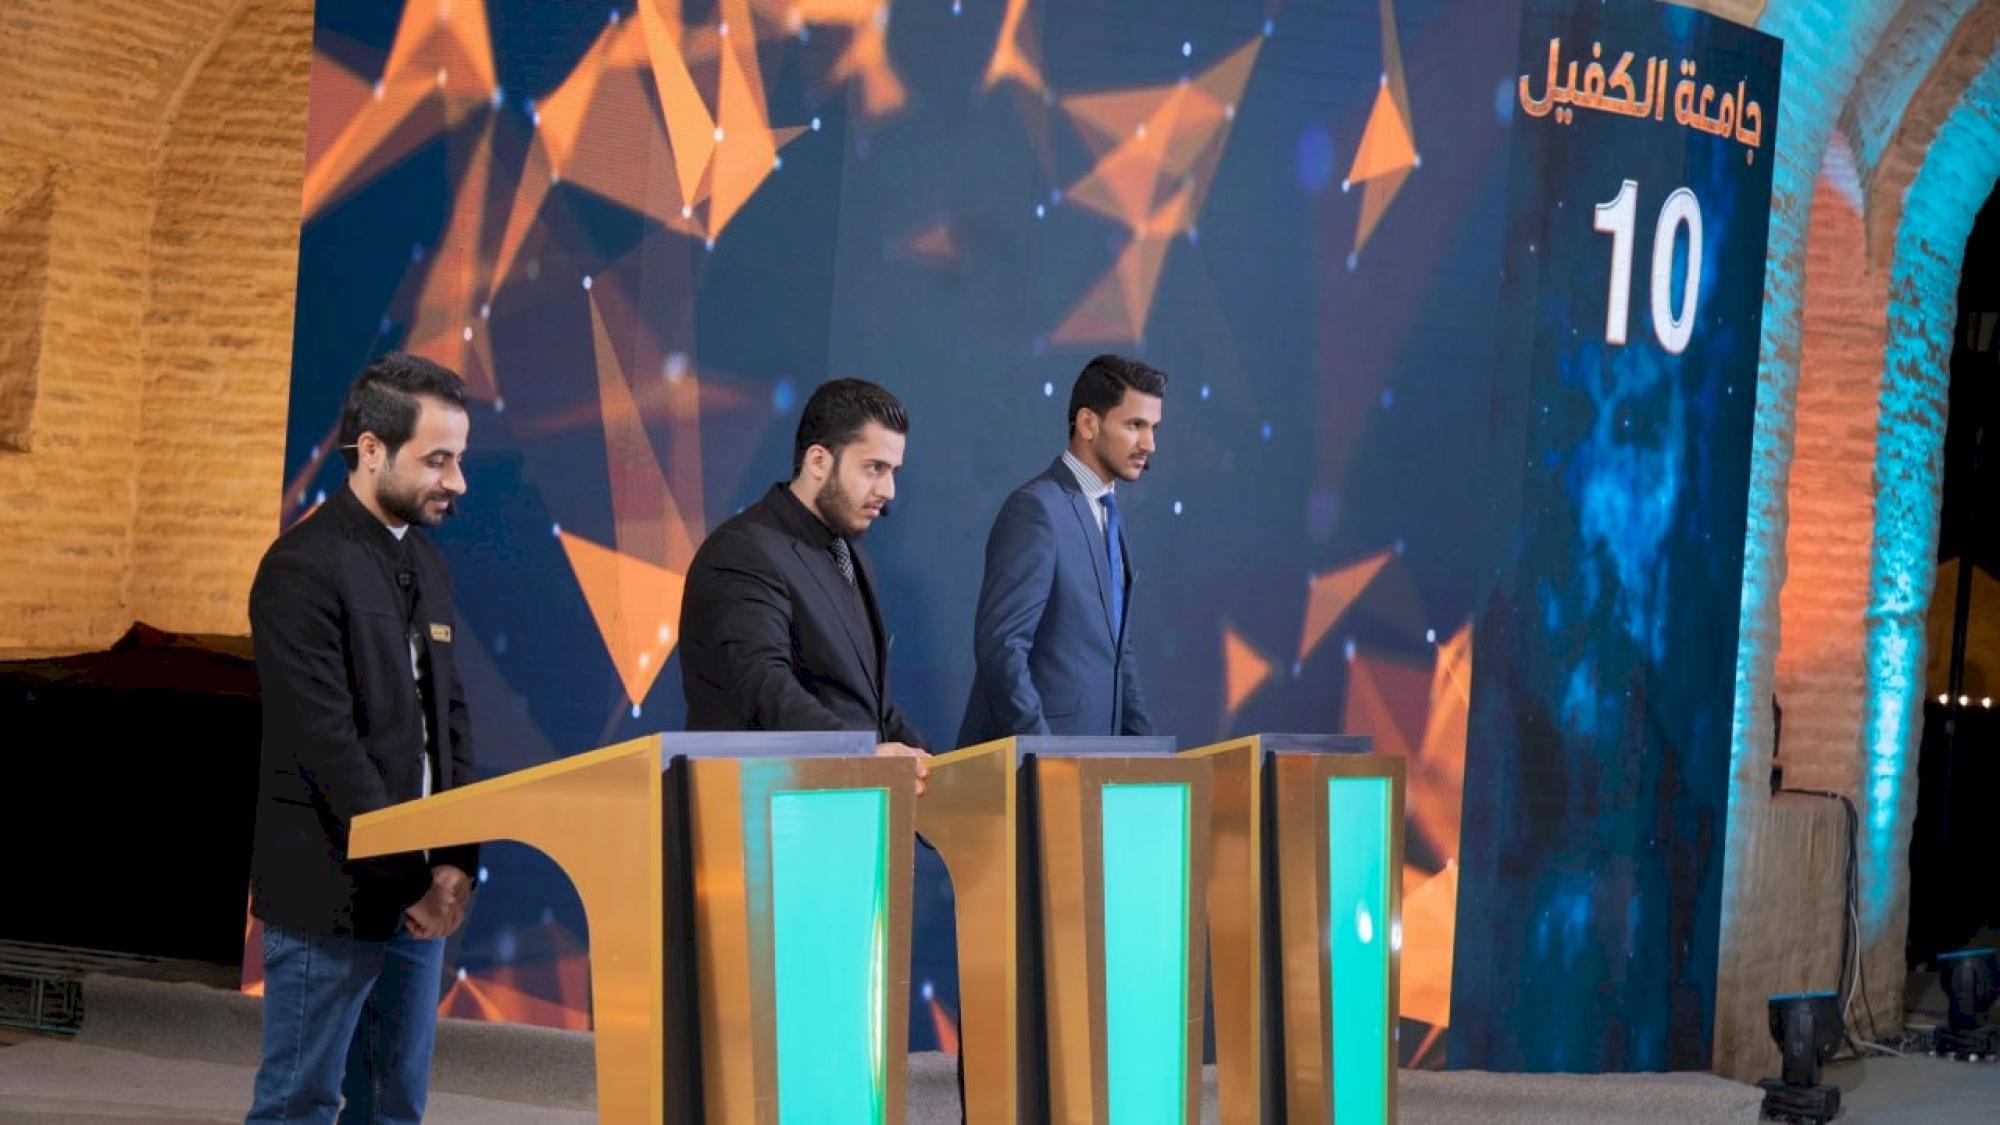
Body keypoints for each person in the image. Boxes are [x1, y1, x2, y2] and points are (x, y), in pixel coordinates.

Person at [245, 352, 479, 1124]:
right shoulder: (299, 567)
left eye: (459, 459)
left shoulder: (429, 566)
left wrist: (456, 861)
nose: (457, 481)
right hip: (330, 897)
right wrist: (413, 881)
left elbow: (449, 723)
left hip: (416, 896)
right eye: (438, 459)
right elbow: (328, 745)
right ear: (372, 449)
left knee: (393, 1106)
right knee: (300, 1104)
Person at [678, 378, 929, 787]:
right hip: (765, 806)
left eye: (893, 471)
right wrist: (862, 756)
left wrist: (937, 766)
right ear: (818, 461)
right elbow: (763, 686)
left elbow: (870, 706)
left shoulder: (854, 559)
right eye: (874, 468)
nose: (888, 490)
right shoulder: (742, 551)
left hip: (847, 803)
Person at [958, 354, 1165, 746]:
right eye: (1135, 425)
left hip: (1095, 766)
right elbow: (1003, 648)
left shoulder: (1109, 514)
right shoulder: (1036, 509)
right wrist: (1046, 755)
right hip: (1036, 768)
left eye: (1153, 428)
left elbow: (1119, 654)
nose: (1149, 444)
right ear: (1088, 423)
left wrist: (1153, 757)